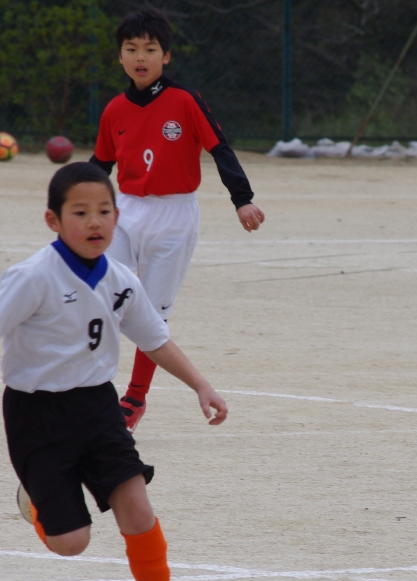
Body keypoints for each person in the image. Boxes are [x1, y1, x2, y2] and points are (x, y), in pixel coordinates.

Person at [0, 162, 229, 581]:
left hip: (97, 408)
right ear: (53, 220)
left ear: (117, 216)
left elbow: (155, 339)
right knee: (71, 543)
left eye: (105, 211)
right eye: (80, 212)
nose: (95, 222)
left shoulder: (121, 279)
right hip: (37, 415)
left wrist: (201, 385)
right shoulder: (32, 276)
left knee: (138, 509)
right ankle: (36, 502)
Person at [90, 8, 264, 433]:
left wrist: (242, 200)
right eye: (131, 49)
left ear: (166, 56)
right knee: (101, 294)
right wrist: (71, 203)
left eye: (150, 49)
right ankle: (90, 391)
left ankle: (134, 399)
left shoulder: (185, 101)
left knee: (150, 314)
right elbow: (100, 165)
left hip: (174, 216)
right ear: (120, 57)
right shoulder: (114, 110)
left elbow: (219, 148)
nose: (141, 57)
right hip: (125, 211)